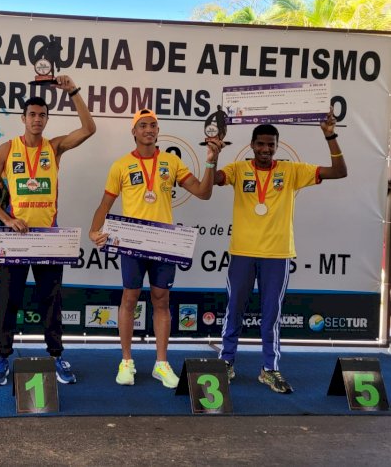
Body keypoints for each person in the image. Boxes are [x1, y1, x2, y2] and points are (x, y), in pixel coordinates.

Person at [88, 109, 223, 388]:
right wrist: (94, 230)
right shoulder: (121, 165)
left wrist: (211, 162)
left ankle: (161, 364)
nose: (149, 129)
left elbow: (203, 192)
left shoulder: (171, 162)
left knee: (161, 301)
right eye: (143, 125)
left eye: (153, 125)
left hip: (163, 244)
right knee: (129, 299)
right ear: (134, 132)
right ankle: (126, 361)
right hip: (132, 244)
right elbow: (105, 204)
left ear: (158, 131)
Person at [215, 110, 346, 393]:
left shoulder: (291, 171)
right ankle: (226, 362)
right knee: (234, 307)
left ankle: (270, 369)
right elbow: (212, 181)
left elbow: (339, 171)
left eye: (270, 145)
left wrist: (330, 135)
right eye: (260, 144)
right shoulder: (238, 169)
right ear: (252, 145)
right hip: (242, 252)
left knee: (271, 312)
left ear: (277, 147)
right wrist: (213, 152)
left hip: (277, 254)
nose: (265, 149)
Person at [0, 75, 96, 386]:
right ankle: (2, 357)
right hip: (15, 239)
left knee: (51, 300)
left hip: (48, 239)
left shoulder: (54, 147)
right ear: (23, 118)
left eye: (42, 115)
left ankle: (56, 356)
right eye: (32, 114)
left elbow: (89, 129)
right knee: (8, 300)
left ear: (47, 119)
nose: (37, 119)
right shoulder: (7, 149)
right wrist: (6, 219)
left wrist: (73, 90)